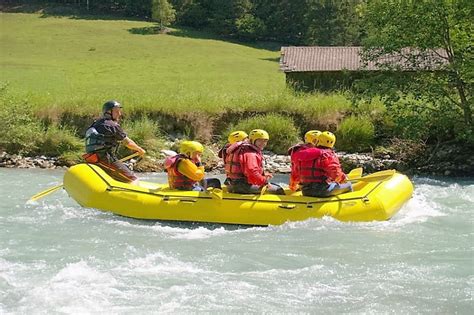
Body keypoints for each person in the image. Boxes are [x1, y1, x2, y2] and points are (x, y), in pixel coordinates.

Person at [83, 100, 145, 184]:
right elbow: (127, 142)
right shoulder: (112, 125)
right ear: (108, 112)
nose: (119, 114)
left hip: (92, 158)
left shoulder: (96, 123)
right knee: (133, 179)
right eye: (116, 111)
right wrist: (139, 149)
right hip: (105, 159)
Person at [289, 131, 352, 197]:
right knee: (349, 185)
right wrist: (343, 178)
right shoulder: (327, 154)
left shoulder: (303, 154)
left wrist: (293, 185)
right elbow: (335, 171)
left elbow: (296, 172)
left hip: (305, 190)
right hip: (322, 190)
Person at [225, 129, 285, 195]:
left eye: (265, 141)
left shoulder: (243, 149)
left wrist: (263, 176)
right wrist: (265, 182)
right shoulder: (250, 152)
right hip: (242, 186)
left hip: (232, 184)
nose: (263, 143)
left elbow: (246, 171)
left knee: (273, 185)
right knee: (278, 190)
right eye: (259, 140)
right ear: (252, 141)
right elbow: (252, 171)